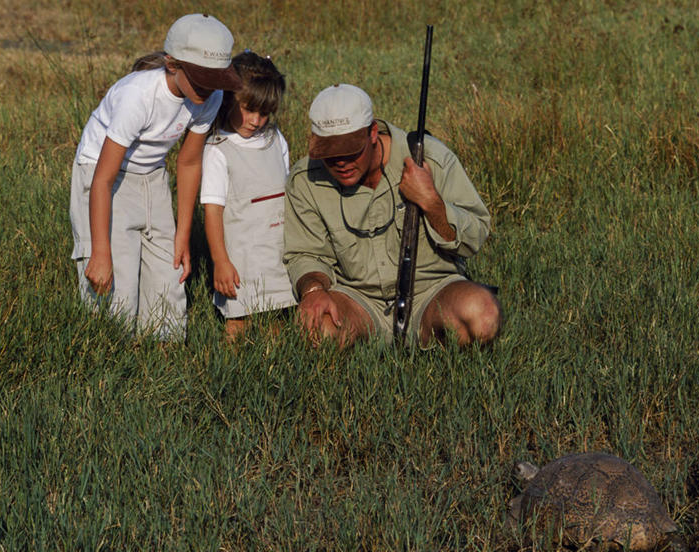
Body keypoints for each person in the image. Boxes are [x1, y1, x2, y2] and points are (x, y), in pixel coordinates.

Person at [283, 83, 501, 348]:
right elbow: (305, 254)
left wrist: (432, 202)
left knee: (484, 316)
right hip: (356, 299)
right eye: (330, 154)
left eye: (351, 150)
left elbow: (475, 237)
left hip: (431, 292)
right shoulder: (305, 179)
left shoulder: (428, 156)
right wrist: (313, 291)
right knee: (317, 329)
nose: (340, 162)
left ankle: (438, 353)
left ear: (373, 132)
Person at [69, 14, 242, 340]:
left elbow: (189, 163)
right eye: (201, 79)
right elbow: (103, 179)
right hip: (103, 177)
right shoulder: (138, 96)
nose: (208, 89)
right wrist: (100, 252)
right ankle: (107, 352)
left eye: (215, 80)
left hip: (152, 176)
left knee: (170, 273)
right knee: (114, 284)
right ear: (172, 64)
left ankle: (161, 356)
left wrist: (182, 234)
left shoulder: (211, 96)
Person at [200, 50, 295, 342]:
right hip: (240, 257)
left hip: (277, 250)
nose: (256, 120)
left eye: (265, 113)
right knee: (238, 325)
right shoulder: (218, 150)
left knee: (277, 321)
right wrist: (220, 261)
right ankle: (228, 377)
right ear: (230, 99)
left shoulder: (275, 139)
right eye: (249, 109)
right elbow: (213, 212)